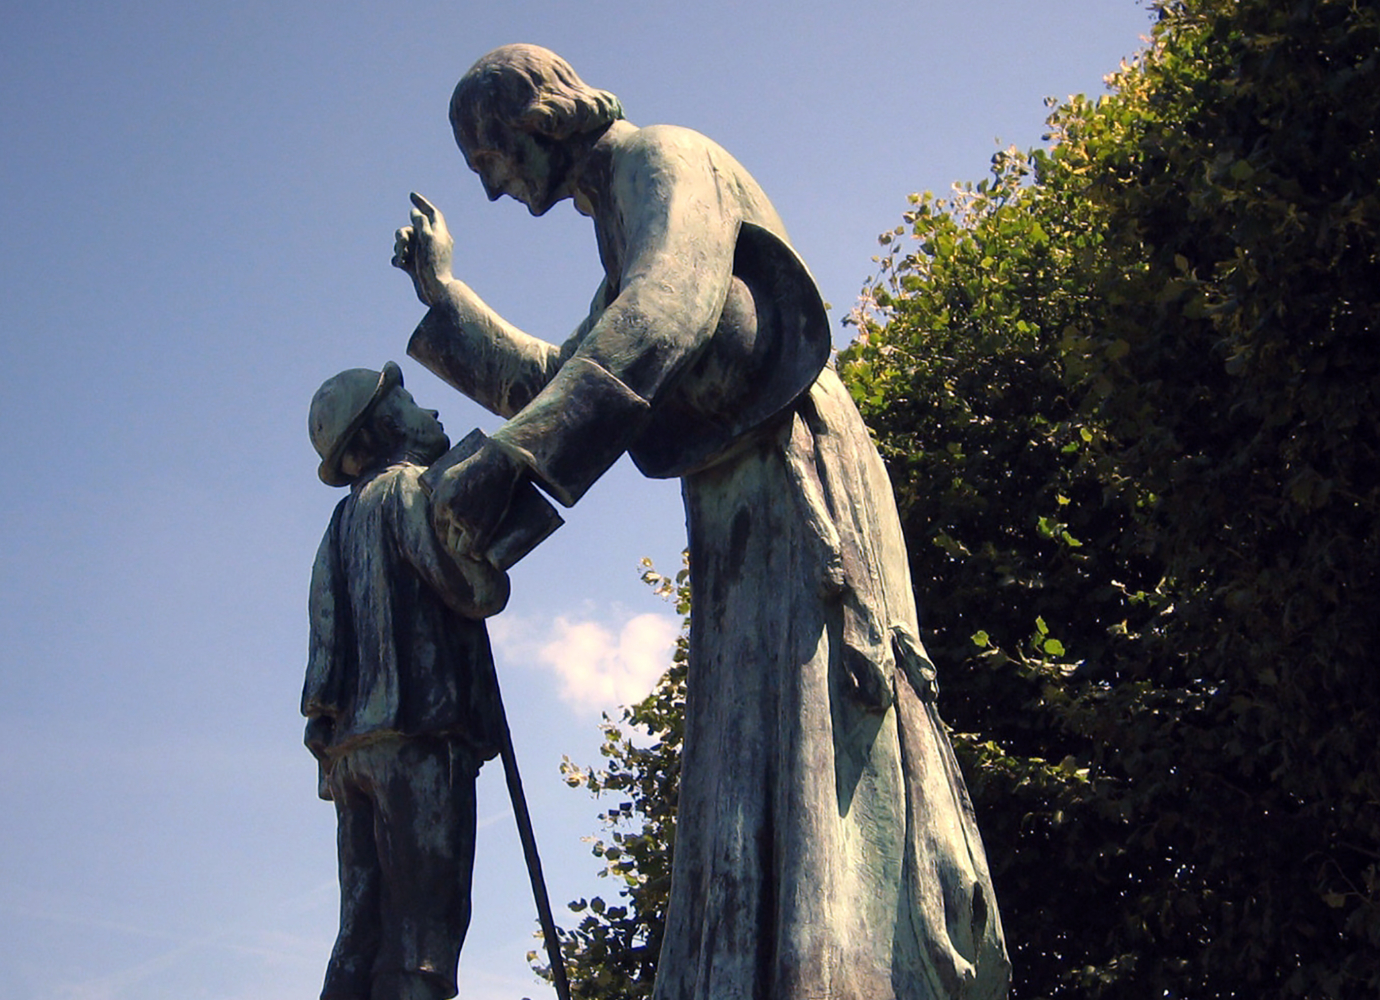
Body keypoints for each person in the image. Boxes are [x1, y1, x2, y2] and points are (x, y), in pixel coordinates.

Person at [392, 45, 1009, 1000]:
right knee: (746, 747)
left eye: (495, 159)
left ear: (539, 116)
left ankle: (837, 975)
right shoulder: (618, 232)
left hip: (797, 472)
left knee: (819, 739)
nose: (498, 188)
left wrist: (514, 459)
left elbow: (668, 310)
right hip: (732, 500)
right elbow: (572, 371)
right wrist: (448, 299)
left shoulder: (663, 158)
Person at [301, 361, 508, 1000]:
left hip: (350, 754)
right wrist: (488, 565)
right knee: (424, 938)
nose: (434, 415)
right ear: (386, 424)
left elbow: (324, 642)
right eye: (415, 403)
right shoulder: (409, 489)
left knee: (359, 934)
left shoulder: (336, 527)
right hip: (420, 735)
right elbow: (467, 588)